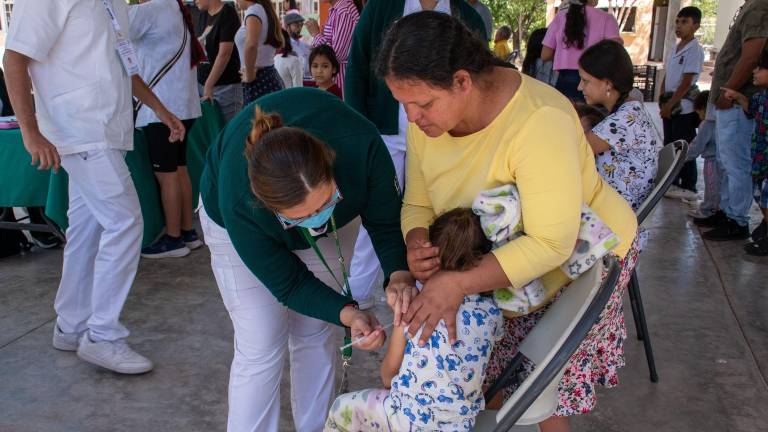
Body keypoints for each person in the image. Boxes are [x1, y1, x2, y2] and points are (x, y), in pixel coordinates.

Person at [377, 12, 638, 432]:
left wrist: (457, 282)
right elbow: (418, 201)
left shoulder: (539, 120)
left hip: (581, 258)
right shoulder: (424, 121)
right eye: (402, 104)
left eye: (423, 104)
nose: (412, 117)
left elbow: (552, 242)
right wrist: (417, 241)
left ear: (462, 81)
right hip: (494, 256)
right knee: (487, 376)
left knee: (535, 389)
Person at [199, 87, 415, 432]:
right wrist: (348, 310)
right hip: (229, 222)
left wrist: (398, 276)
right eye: (302, 217)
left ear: (330, 166)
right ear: (268, 206)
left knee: (315, 331)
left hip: (331, 207)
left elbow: (385, 221)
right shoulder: (240, 199)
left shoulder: (361, 146)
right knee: (261, 342)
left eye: (324, 202)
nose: (315, 219)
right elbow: (290, 282)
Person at [4, 0, 185, 374]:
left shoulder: (113, 2)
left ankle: (71, 325)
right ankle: (103, 334)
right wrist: (30, 131)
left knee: (87, 229)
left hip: (108, 128)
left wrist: (161, 109)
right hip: (81, 129)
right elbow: (15, 58)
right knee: (125, 222)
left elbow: (125, 65)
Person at [344, 0, 487, 309]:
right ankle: (357, 292)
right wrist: (358, 129)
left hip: (446, 134)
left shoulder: (469, 15)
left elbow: (480, 77)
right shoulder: (381, 8)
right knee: (381, 212)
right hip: (386, 133)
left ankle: (440, 288)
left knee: (445, 212)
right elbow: (356, 67)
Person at [326, 208, 503, 431]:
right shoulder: (492, 314)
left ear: (428, 258)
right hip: (458, 426)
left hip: (405, 420)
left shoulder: (413, 308)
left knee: (341, 409)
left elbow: (388, 378)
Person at [129, 0, 205, 259]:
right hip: (183, 105)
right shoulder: (175, 8)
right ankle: (187, 232)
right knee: (180, 170)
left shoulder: (150, 10)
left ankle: (173, 238)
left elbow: (111, 29)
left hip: (161, 109)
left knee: (168, 175)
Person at [698, 0, 768, 241]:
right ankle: (727, 212)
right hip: (730, 100)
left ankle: (736, 220)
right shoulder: (751, 6)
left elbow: (752, 54)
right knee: (725, 161)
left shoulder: (759, 6)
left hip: (737, 101)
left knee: (736, 163)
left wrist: (730, 90)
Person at [579, 40, 661, 214]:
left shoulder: (625, 119)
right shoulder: (630, 108)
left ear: (608, 84)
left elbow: (574, 150)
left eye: (585, 81)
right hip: (616, 207)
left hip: (615, 218)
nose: (580, 87)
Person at [722, 48, 768, 256]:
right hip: (759, 159)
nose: (754, 71)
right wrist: (739, 97)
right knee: (760, 195)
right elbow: (751, 110)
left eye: (760, 68)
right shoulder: (760, 97)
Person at [660, 6, 705, 202]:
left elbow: (686, 82)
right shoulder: (674, 47)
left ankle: (689, 185)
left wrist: (671, 104)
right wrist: (662, 98)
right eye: (677, 21)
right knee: (670, 144)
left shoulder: (694, 50)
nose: (679, 26)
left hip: (683, 107)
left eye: (684, 22)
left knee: (683, 146)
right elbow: (668, 76)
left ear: (695, 26)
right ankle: (672, 182)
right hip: (669, 103)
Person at [541, 0, 621, 101]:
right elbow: (616, 54)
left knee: (568, 115)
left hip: (565, 80)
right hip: (597, 80)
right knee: (593, 116)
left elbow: (545, 55)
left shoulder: (560, 17)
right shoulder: (607, 19)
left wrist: (563, 55)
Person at [196, 0, 242, 121]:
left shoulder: (228, 13)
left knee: (229, 132)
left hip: (225, 88)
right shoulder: (203, 15)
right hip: (203, 86)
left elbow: (224, 53)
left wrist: (208, 85)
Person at [305, 0, 362, 97]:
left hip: (343, 82)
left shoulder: (343, 11)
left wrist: (316, 35)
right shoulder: (336, 10)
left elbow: (336, 54)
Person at [235, 0, 285, 105]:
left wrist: (249, 74)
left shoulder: (254, 10)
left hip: (258, 80)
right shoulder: (262, 9)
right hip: (266, 77)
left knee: (257, 119)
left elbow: (251, 44)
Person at [686, 91, 724, 221]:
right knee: (721, 188)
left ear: (703, 109)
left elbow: (698, 145)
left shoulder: (707, 123)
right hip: (724, 160)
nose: (699, 117)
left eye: (698, 113)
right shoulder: (723, 120)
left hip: (712, 161)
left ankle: (707, 210)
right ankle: (718, 209)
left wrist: (683, 158)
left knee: (712, 187)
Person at [283, 12, 312, 80]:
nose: (299, 28)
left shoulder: (305, 45)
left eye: (301, 25)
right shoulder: (284, 46)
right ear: (287, 26)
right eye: (296, 25)